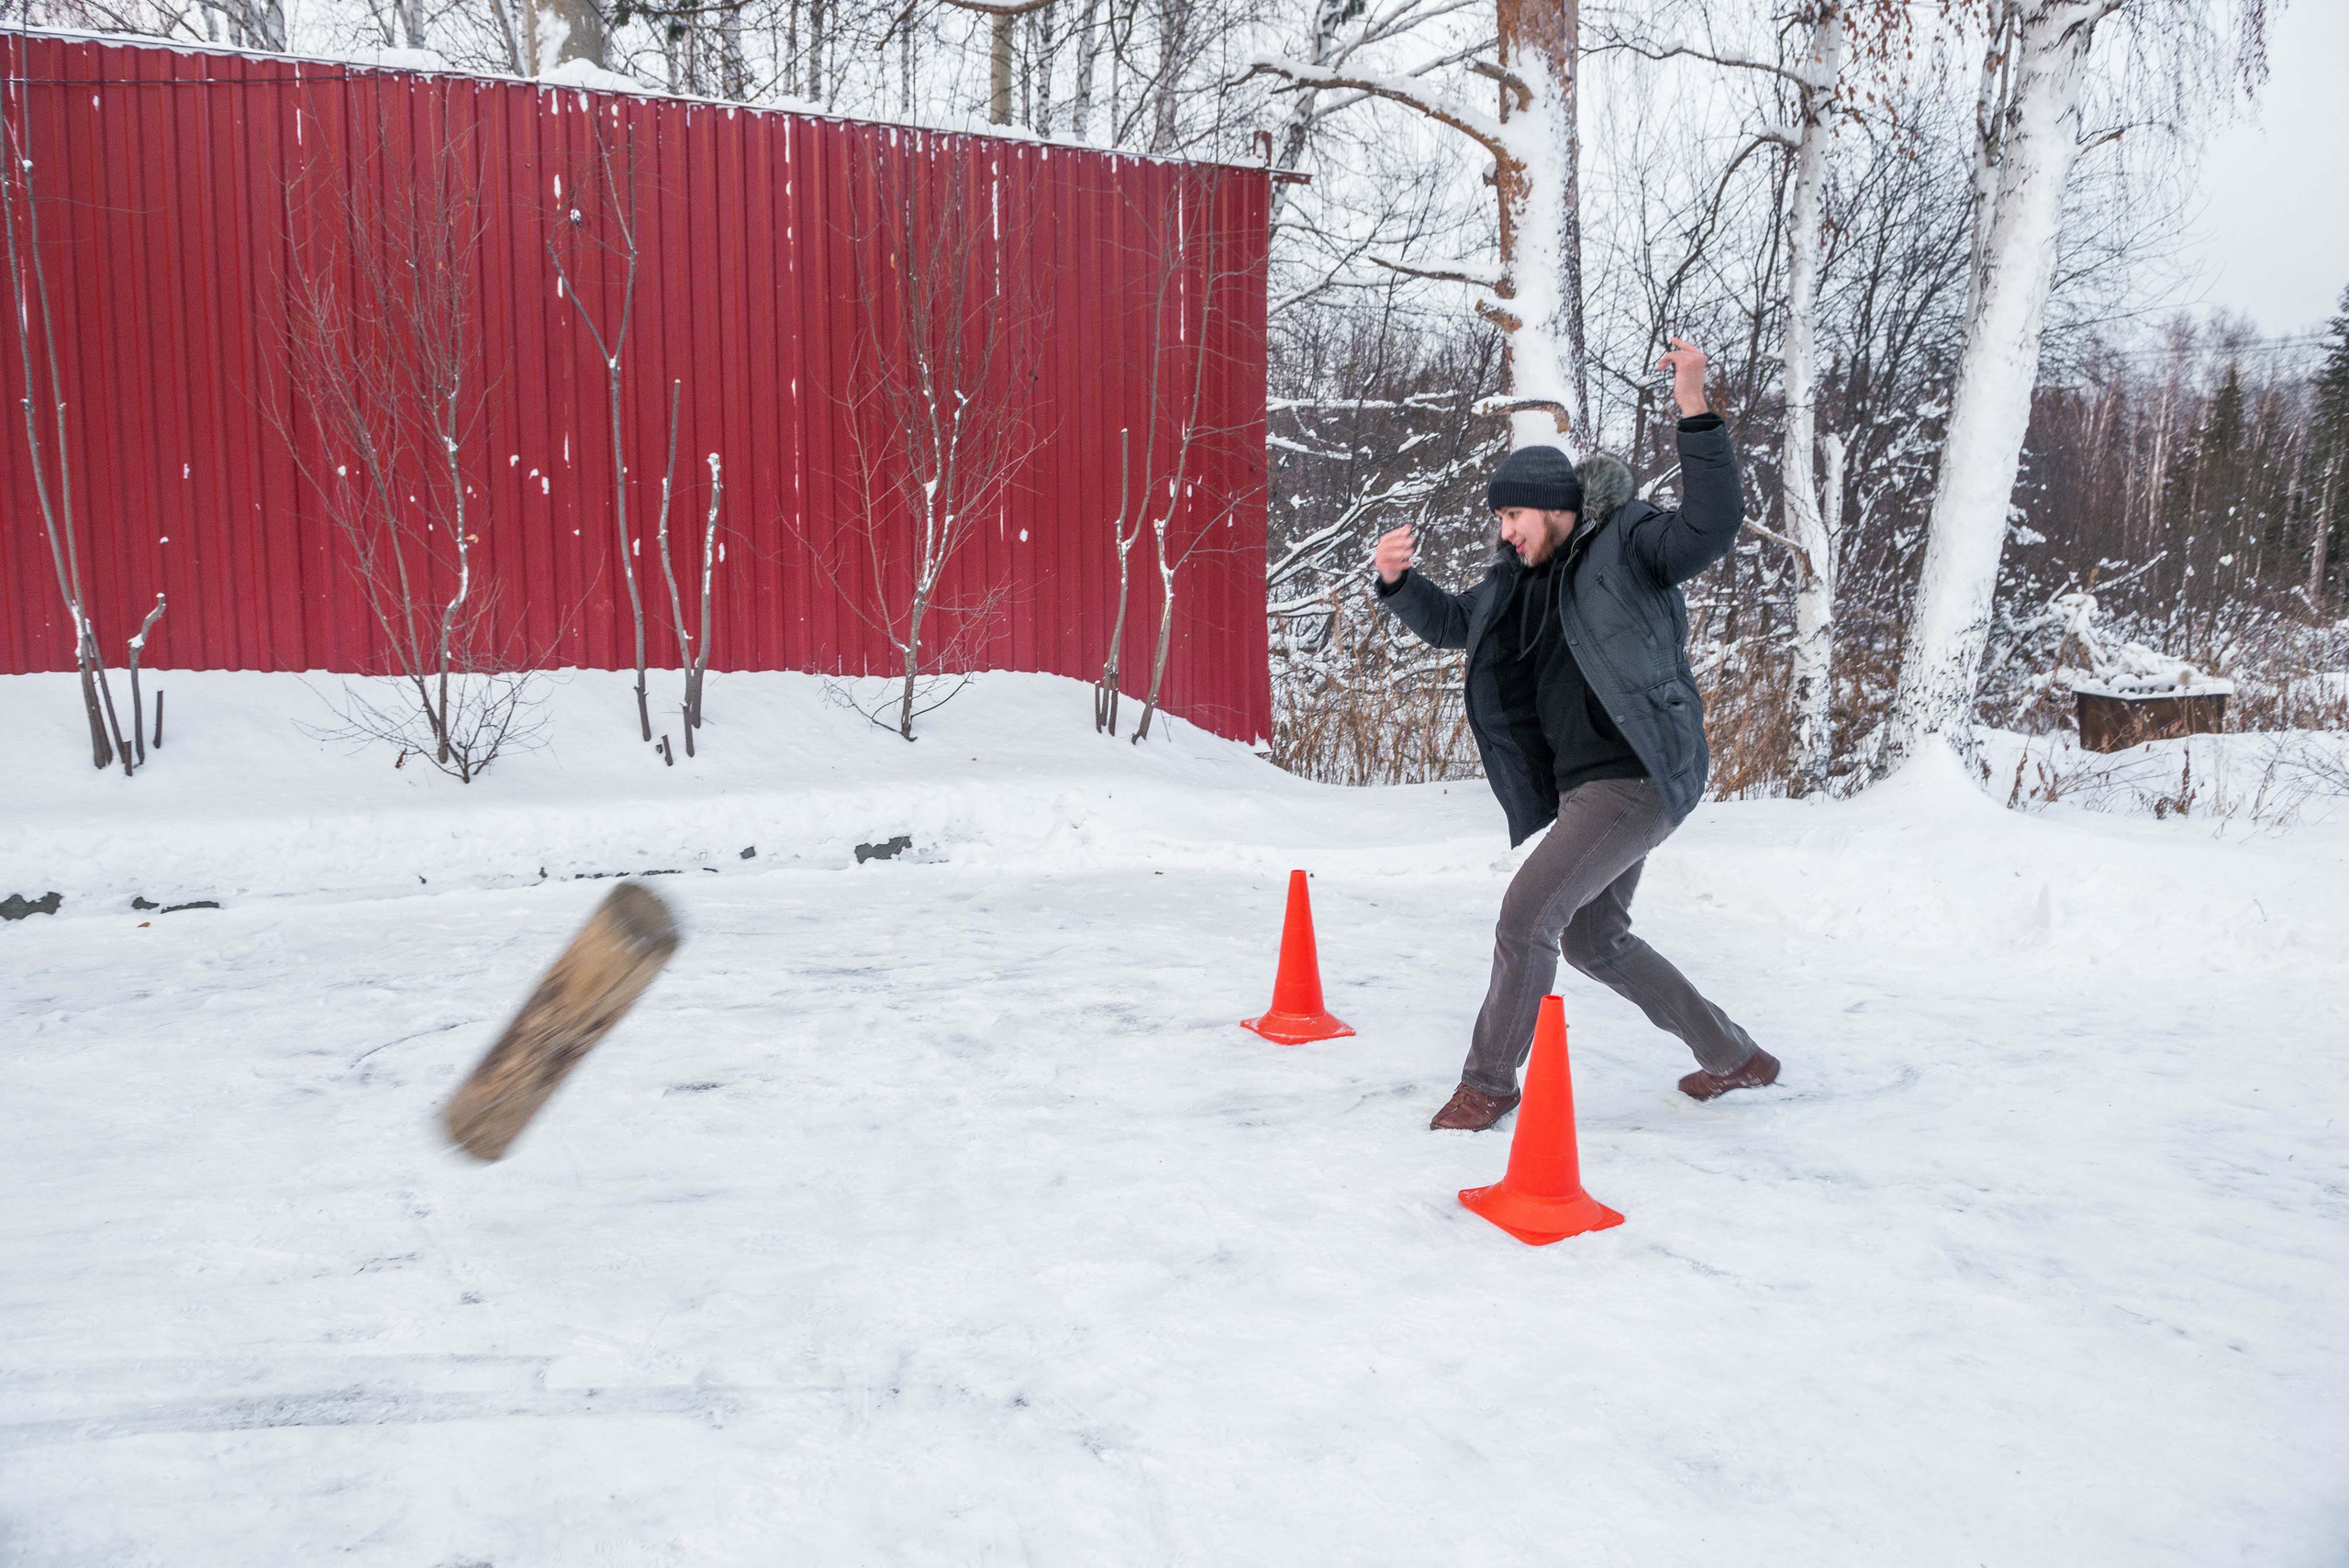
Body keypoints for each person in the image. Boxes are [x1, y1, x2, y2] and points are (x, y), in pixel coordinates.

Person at [1373, 338, 1777, 1130]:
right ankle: (1735, 1056)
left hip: (1637, 772)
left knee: (1526, 918)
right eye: (1498, 517)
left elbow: (1712, 522)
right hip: (1587, 788)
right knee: (1596, 938)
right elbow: (1455, 624)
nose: (1504, 530)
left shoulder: (1627, 543)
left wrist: (1694, 405)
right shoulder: (1511, 581)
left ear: (1556, 507)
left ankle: (1488, 1082)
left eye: (1513, 514)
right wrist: (1398, 583)